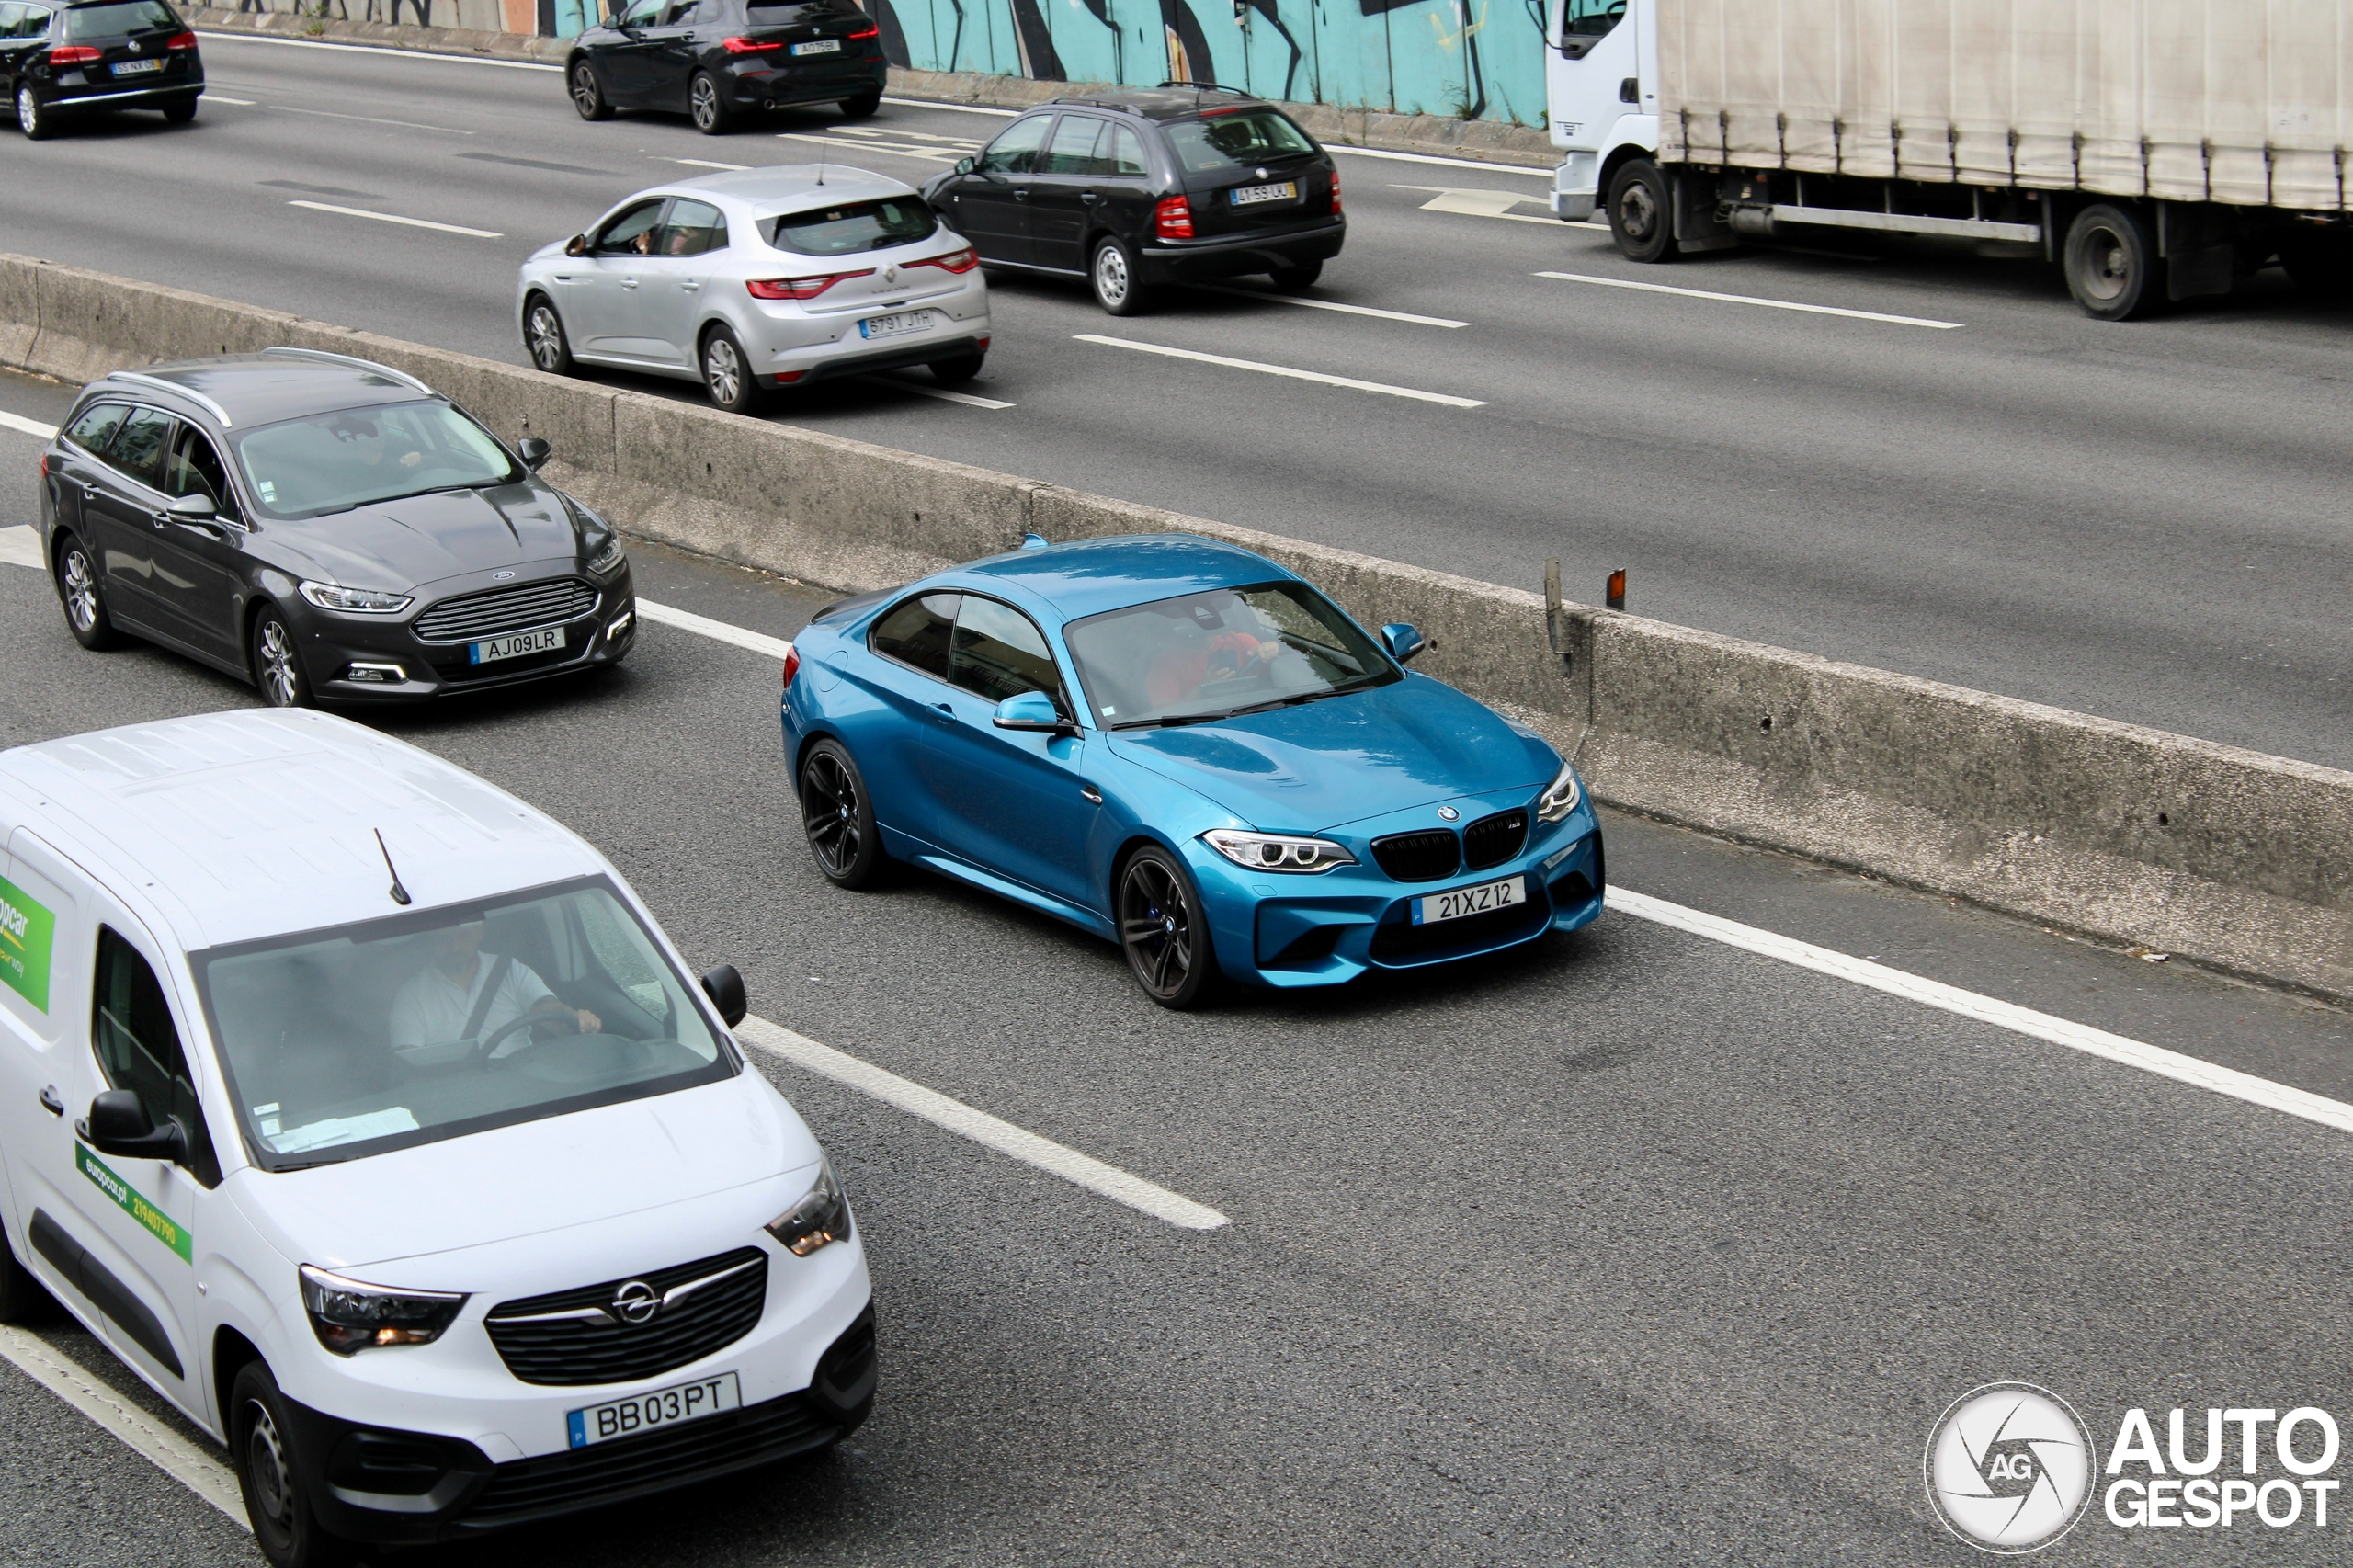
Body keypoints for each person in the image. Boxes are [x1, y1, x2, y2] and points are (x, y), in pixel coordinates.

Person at [389, 921, 599, 1066]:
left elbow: (547, 1009)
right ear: (430, 940)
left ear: (480, 932)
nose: (455, 947)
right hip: (458, 1094)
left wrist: (574, 1018)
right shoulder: (411, 994)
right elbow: (409, 1063)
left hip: (523, 1083)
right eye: (444, 939)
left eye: (463, 936)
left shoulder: (510, 970)